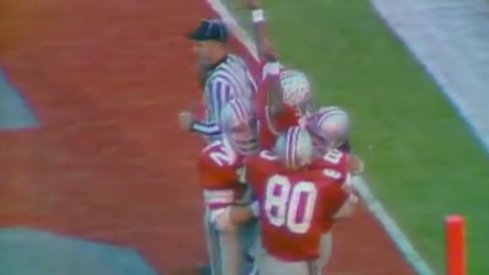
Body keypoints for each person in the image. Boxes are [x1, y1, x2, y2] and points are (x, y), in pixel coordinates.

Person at [228, 126, 357, 275]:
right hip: (307, 251)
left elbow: (250, 175)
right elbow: (345, 211)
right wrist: (350, 193)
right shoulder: (325, 183)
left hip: (277, 256)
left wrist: (260, 206)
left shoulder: (261, 168)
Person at [197, 98, 260, 275]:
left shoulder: (269, 146)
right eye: (239, 129)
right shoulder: (216, 159)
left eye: (252, 125)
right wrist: (261, 208)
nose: (248, 134)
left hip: (262, 217)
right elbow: (223, 220)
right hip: (232, 218)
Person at [179, 19, 257, 143]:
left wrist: (193, 125)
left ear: (215, 46)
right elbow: (255, 93)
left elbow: (221, 129)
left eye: (200, 45)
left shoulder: (219, 83)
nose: (194, 50)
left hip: (231, 150)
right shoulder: (237, 61)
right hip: (250, 138)